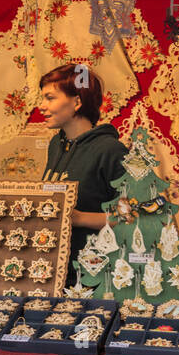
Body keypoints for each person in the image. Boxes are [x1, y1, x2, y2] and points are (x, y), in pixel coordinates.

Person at [39, 63, 128, 267]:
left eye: (50, 98)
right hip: (55, 268)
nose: (42, 106)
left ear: (77, 102)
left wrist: (79, 218)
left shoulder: (110, 150)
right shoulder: (56, 145)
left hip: (92, 274)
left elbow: (131, 216)